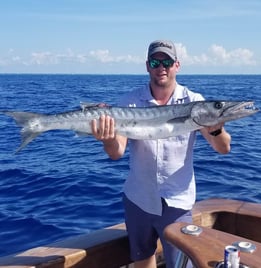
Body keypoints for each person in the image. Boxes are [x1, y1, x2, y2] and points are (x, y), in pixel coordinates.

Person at [91, 40, 231, 268]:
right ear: (148, 66)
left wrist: (216, 127)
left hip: (177, 202)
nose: (161, 67)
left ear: (177, 65)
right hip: (139, 200)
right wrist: (108, 139)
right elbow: (116, 153)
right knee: (142, 259)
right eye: (156, 62)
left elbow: (223, 148)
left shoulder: (195, 102)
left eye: (167, 61)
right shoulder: (130, 102)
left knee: (179, 264)